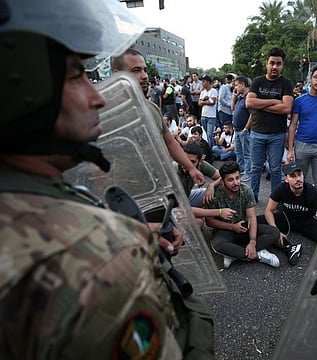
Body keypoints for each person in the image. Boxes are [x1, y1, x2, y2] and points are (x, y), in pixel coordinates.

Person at [0, 0, 214, 358]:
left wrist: (129, 235)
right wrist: (114, 249)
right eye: (74, 75)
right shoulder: (102, 262)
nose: (97, 97)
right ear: (20, 91)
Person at [110, 49, 205, 187]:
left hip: (158, 189)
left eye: (145, 70)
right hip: (125, 195)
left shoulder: (152, 109)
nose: (144, 76)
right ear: (118, 75)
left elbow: (170, 143)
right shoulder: (104, 113)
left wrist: (191, 168)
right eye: (136, 70)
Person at [204, 161, 281, 269]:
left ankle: (236, 253)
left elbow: (251, 217)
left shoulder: (245, 190)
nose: (236, 182)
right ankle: (258, 255)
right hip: (224, 230)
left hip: (243, 227)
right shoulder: (214, 194)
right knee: (218, 245)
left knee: (274, 232)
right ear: (222, 181)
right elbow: (209, 221)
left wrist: (253, 242)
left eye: (237, 178)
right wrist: (232, 227)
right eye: (230, 180)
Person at [246, 47, 294, 202]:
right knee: (255, 168)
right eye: (272, 63)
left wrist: (260, 104)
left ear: (282, 65)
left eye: (278, 63)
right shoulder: (257, 81)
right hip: (257, 133)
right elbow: (249, 102)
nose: (274, 67)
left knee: (275, 170)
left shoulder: (286, 83)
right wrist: (275, 101)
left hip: (277, 135)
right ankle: (252, 198)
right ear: (266, 63)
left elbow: (286, 108)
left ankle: (276, 199)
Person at [258, 162, 317, 266]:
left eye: (299, 175)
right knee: (255, 222)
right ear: (286, 179)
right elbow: (269, 211)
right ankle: (287, 248)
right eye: (293, 176)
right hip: (286, 217)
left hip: (306, 220)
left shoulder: (312, 193)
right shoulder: (282, 189)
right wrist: (275, 231)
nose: (298, 179)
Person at [231, 75, 252, 182]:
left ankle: (248, 173)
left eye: (236, 85)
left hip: (244, 130)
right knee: (238, 151)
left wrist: (246, 128)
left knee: (247, 153)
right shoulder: (240, 97)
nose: (235, 87)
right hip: (237, 129)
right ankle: (242, 169)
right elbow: (232, 108)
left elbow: (252, 115)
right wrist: (234, 96)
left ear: (243, 85)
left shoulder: (249, 97)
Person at [198, 75, 218, 148]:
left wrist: (203, 101)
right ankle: (207, 149)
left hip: (211, 116)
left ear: (208, 82)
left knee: (210, 134)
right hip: (203, 115)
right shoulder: (202, 92)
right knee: (206, 134)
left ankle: (210, 150)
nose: (202, 83)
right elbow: (199, 103)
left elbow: (213, 102)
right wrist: (204, 100)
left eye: (204, 81)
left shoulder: (214, 91)